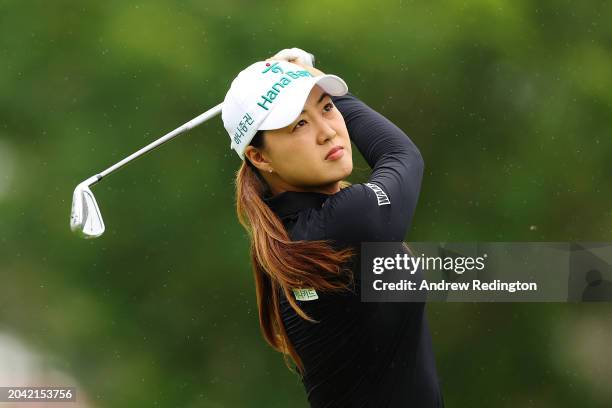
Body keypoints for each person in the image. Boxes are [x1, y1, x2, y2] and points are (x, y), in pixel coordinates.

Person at [221, 49, 443, 407]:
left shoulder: (293, 235)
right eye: (299, 124)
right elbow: (403, 157)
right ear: (260, 157)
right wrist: (321, 82)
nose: (327, 132)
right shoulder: (342, 223)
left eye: (327, 108)